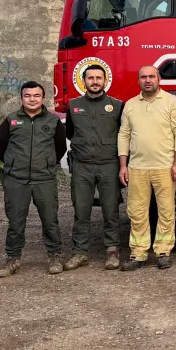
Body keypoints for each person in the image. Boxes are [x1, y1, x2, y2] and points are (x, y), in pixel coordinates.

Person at [0, 81, 67, 277]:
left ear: (43, 98)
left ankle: (55, 257)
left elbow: (60, 148)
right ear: (21, 98)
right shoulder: (11, 120)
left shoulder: (53, 121)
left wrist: (46, 164)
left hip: (44, 179)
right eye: (27, 96)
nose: (32, 99)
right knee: (15, 222)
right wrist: (16, 164)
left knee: (50, 220)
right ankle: (12, 259)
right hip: (16, 180)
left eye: (36, 96)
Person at [117, 65, 176, 271]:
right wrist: (123, 165)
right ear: (138, 80)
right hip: (137, 167)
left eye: (151, 77)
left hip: (165, 167)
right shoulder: (130, 104)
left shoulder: (172, 102)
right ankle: (138, 254)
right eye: (143, 77)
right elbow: (123, 135)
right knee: (137, 212)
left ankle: (163, 252)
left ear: (159, 79)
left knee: (166, 211)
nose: (148, 80)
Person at [64, 64, 124, 271]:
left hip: (109, 165)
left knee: (111, 210)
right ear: (84, 81)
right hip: (82, 167)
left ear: (105, 81)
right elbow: (70, 133)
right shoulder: (73, 105)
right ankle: (80, 252)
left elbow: (123, 134)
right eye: (91, 78)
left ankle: (112, 251)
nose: (95, 81)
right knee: (81, 211)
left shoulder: (117, 106)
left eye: (99, 78)